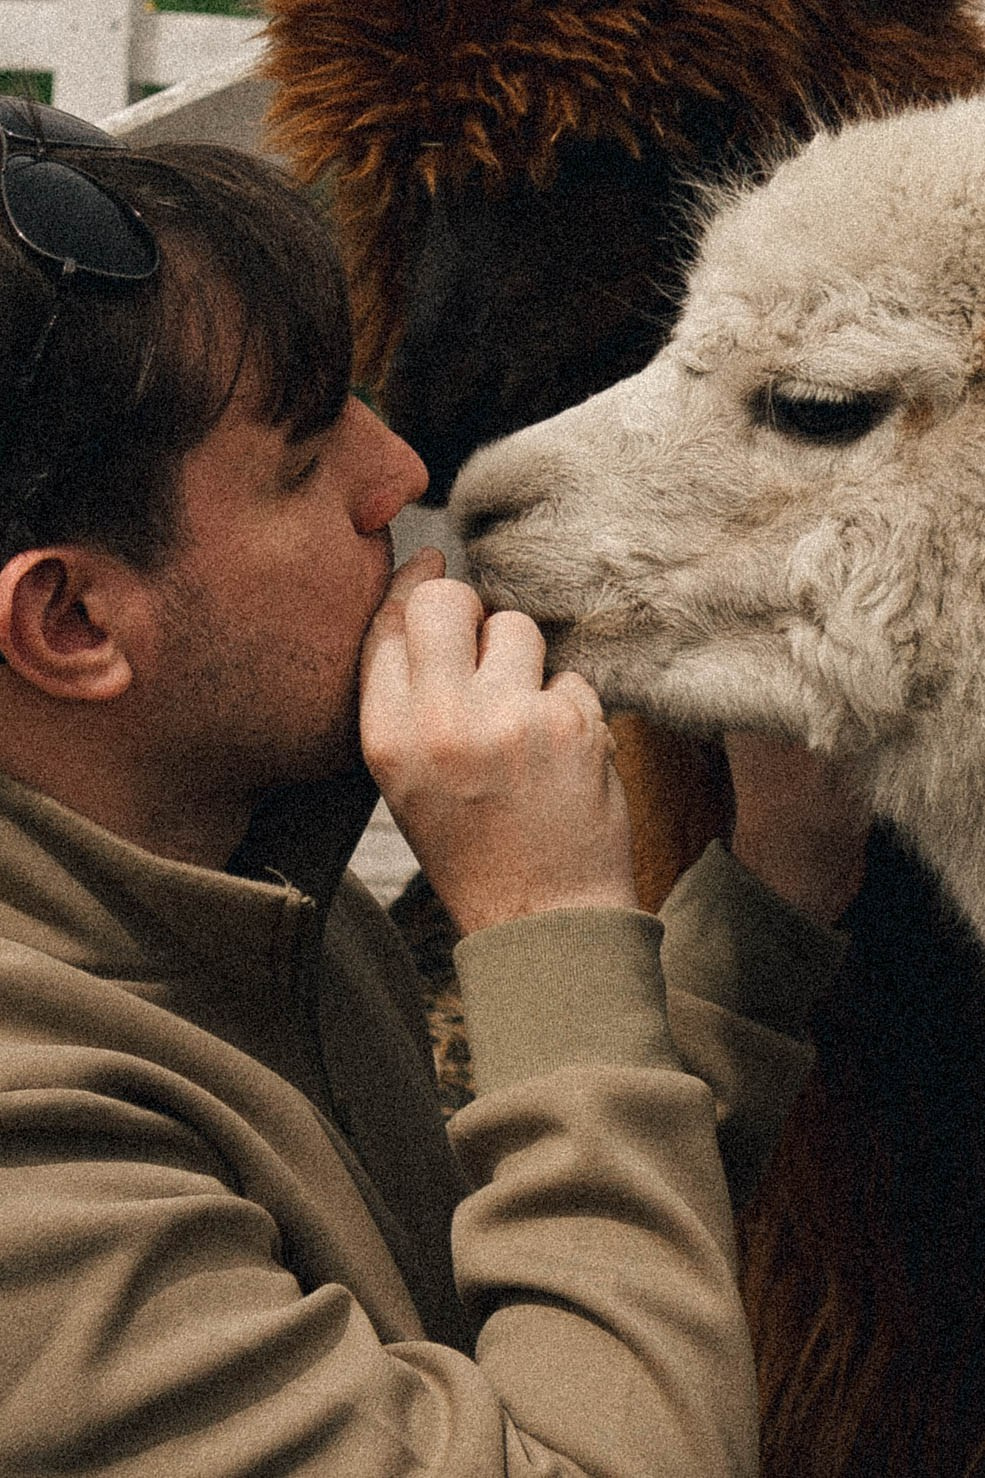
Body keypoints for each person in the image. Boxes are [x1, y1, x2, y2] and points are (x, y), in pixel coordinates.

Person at [0, 97, 860, 1475]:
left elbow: (474, 1316)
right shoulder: (29, 1195)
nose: (400, 469)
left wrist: (768, 893)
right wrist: (544, 917)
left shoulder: (227, 871)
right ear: (75, 624)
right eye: (298, 461)